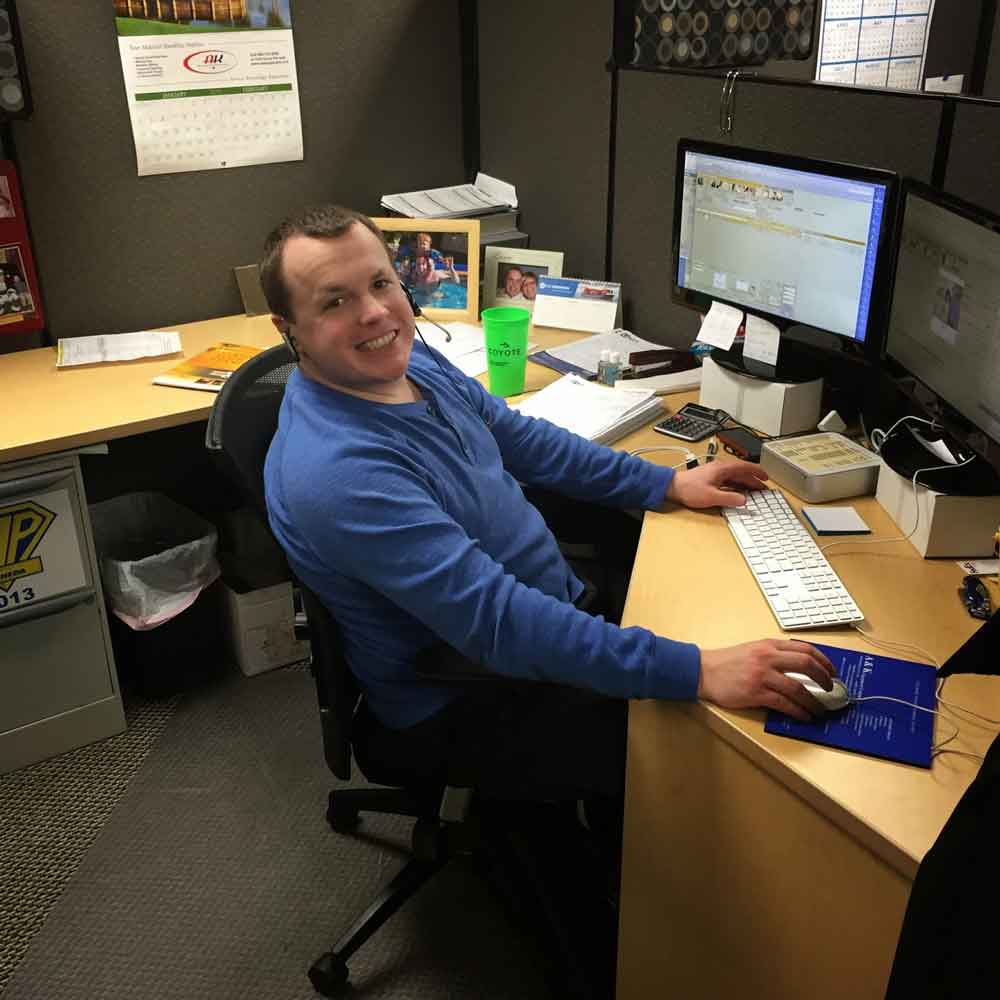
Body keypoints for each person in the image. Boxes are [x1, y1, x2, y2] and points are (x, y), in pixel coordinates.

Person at [259, 204, 836, 876]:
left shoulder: (407, 361)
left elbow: (522, 441)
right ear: (289, 329)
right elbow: (499, 626)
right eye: (336, 301)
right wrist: (699, 670)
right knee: (711, 746)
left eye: (382, 283)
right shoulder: (338, 473)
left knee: (722, 625)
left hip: (541, 608)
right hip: (464, 691)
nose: (376, 314)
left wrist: (665, 485)